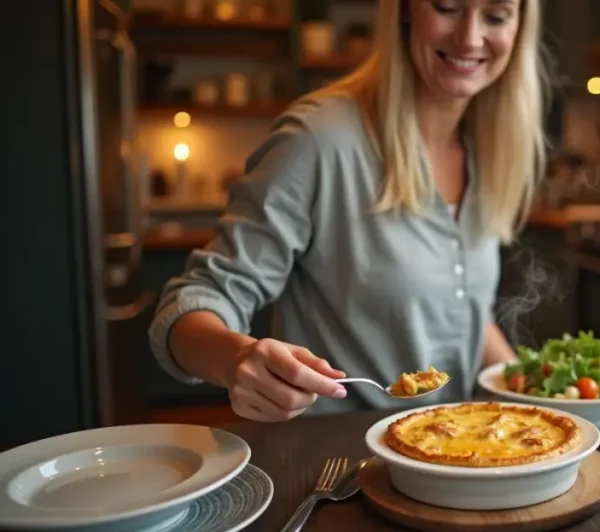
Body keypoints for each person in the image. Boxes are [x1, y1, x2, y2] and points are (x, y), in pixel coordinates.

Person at [148, 0, 549, 422]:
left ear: (520, 26)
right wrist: (237, 359)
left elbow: (462, 311)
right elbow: (192, 304)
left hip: (460, 450)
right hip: (338, 466)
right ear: (407, 10)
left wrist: (539, 395)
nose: (469, 37)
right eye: (447, 6)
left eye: (496, 16)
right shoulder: (318, 140)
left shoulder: (487, 148)